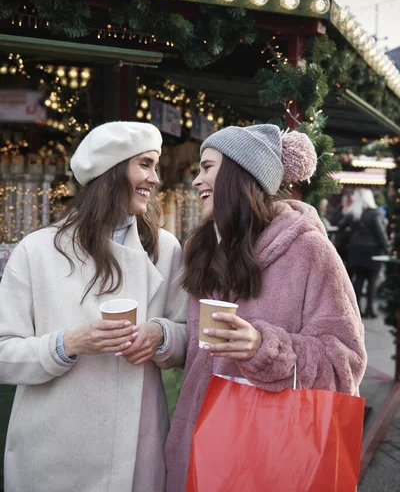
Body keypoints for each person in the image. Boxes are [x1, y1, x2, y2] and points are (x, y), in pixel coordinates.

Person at [165, 125, 367, 492]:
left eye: (207, 167)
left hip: (276, 455)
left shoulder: (310, 251)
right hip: (200, 447)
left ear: (240, 173)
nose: (196, 181)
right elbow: (199, 349)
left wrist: (263, 348)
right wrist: (161, 338)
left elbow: (346, 362)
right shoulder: (202, 248)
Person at [0, 121, 187, 492]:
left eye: (156, 166)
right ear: (112, 170)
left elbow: (187, 334)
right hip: (52, 450)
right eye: (145, 165)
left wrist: (161, 335)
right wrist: (67, 344)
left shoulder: (165, 248)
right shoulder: (37, 250)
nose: (155, 178)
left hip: (135, 449)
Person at [339, 187, 389, 318]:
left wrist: (350, 230)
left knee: (358, 280)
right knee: (372, 281)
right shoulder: (374, 213)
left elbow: (341, 226)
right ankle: (370, 310)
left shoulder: (353, 212)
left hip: (355, 249)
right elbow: (380, 233)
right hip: (372, 251)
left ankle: (357, 310)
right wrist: (387, 248)